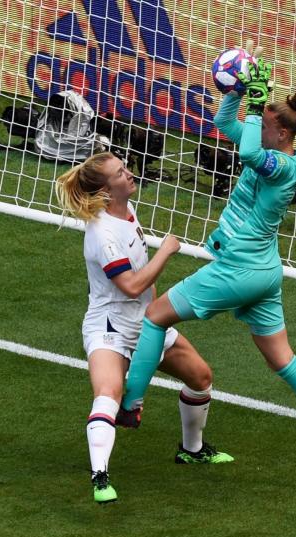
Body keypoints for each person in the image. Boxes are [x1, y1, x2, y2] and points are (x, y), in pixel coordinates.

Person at [121, 43, 296, 477]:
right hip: (262, 271)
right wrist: (240, 93)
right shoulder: (268, 147)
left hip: (240, 270)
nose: (257, 128)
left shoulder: (287, 167)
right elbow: (223, 123)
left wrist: (254, 103)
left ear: (282, 135)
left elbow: (250, 152)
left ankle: (130, 404)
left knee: (155, 317)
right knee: (282, 359)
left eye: (265, 124)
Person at [56, 152, 233, 504]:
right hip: (110, 327)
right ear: (106, 191)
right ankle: (100, 477)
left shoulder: (125, 211)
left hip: (145, 323)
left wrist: (156, 315)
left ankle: (192, 449)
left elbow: (141, 286)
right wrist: (165, 251)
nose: (130, 174)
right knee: (109, 394)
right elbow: (132, 285)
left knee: (200, 377)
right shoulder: (103, 234)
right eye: (121, 173)